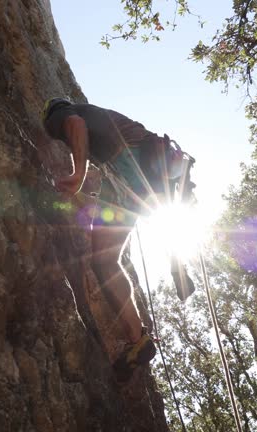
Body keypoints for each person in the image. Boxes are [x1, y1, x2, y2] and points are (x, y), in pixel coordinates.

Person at [41, 97, 196, 380]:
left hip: (128, 160)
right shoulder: (103, 117)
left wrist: (77, 175)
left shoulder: (60, 116)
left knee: (106, 260)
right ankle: (140, 340)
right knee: (109, 256)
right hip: (150, 163)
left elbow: (74, 125)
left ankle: (140, 335)